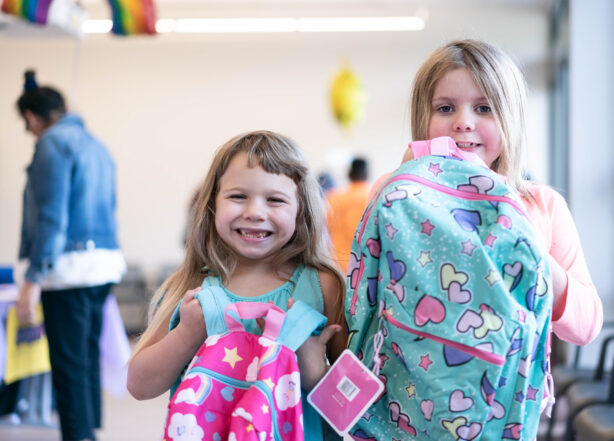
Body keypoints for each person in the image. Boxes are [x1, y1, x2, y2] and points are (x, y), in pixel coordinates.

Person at [127, 130, 346, 440]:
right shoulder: (192, 287)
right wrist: (188, 334)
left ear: (301, 210)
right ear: (213, 203)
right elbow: (139, 385)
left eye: (275, 200)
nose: (255, 212)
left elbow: (358, 412)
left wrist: (315, 372)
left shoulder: (324, 286)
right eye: (238, 196)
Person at [403, 39, 603, 346]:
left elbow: (586, 327)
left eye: (484, 108)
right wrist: (404, 183)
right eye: (445, 108)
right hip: (416, 387)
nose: (463, 123)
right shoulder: (399, 198)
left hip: (513, 388)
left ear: (510, 119)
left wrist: (530, 250)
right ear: (423, 118)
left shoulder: (542, 206)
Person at [14, 70, 126, 441]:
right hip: (104, 265)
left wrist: (32, 280)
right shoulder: (96, 144)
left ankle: (79, 437)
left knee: (68, 365)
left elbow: (52, 216)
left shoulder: (51, 144)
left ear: (32, 118)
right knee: (85, 360)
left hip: (68, 269)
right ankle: (87, 432)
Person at [326, 157, 371, 274]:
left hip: (337, 263)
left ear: (349, 174)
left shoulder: (334, 198)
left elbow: (326, 229)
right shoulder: (373, 197)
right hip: (364, 264)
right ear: (367, 174)